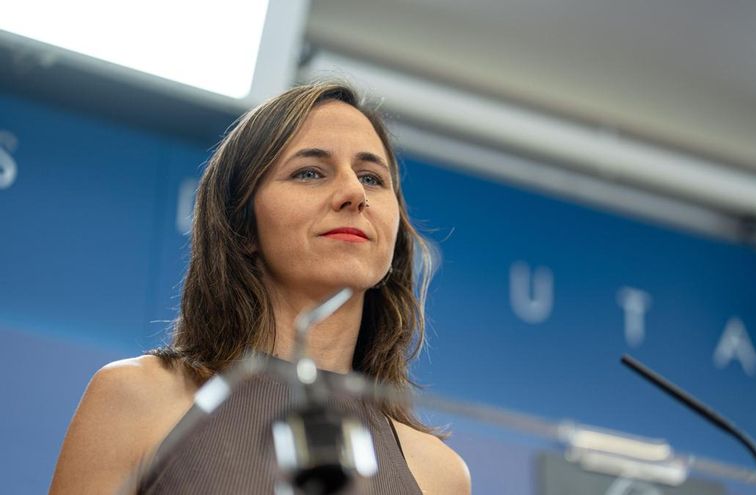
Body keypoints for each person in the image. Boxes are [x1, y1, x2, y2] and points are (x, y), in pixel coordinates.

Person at [49, 81, 471, 494]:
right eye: (310, 172)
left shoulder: (439, 474)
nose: (353, 193)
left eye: (373, 178)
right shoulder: (136, 398)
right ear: (242, 225)